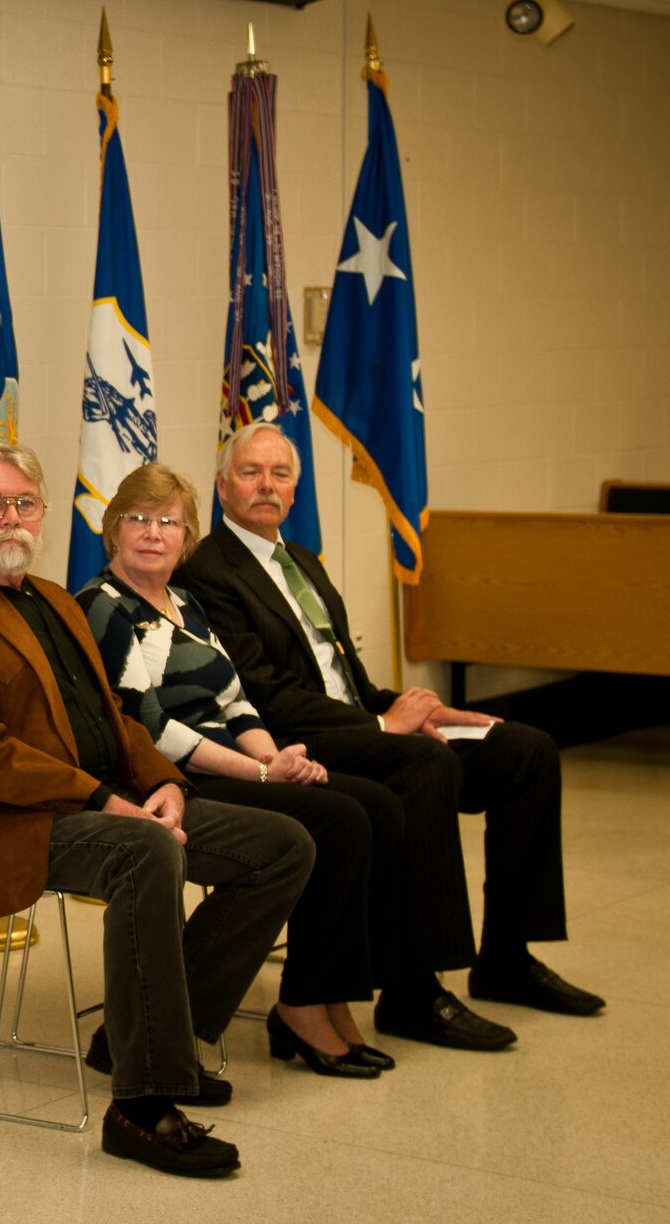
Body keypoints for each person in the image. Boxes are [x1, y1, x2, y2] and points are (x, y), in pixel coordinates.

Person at [0, 439, 311, 1178]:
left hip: (105, 802)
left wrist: (163, 781)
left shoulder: (52, 597)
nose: (8, 517)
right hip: (3, 824)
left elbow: (113, 714)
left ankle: (146, 1037)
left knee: (283, 843)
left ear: (43, 514)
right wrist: (109, 800)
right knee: (148, 850)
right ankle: (142, 1106)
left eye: (23, 503)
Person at [177, 421, 602, 1053]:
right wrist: (383, 726)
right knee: (422, 764)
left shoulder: (304, 564)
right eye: (250, 473)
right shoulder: (211, 571)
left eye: (281, 474)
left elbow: (348, 679)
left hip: (355, 722)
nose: (267, 486)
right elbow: (265, 697)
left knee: (525, 749)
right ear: (221, 486)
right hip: (288, 740)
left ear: (295, 491)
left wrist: (420, 709)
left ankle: (507, 958)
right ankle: (414, 989)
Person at [77, 463, 397, 1078]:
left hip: (234, 760)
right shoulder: (102, 605)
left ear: (187, 537)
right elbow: (148, 726)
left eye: (168, 521)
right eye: (138, 520)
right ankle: (212, 1019)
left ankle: (324, 994)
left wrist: (276, 758)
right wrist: (258, 777)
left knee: (372, 807)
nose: (152, 532)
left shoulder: (186, 601)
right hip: (169, 778)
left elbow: (237, 702)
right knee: (337, 823)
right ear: (113, 531)